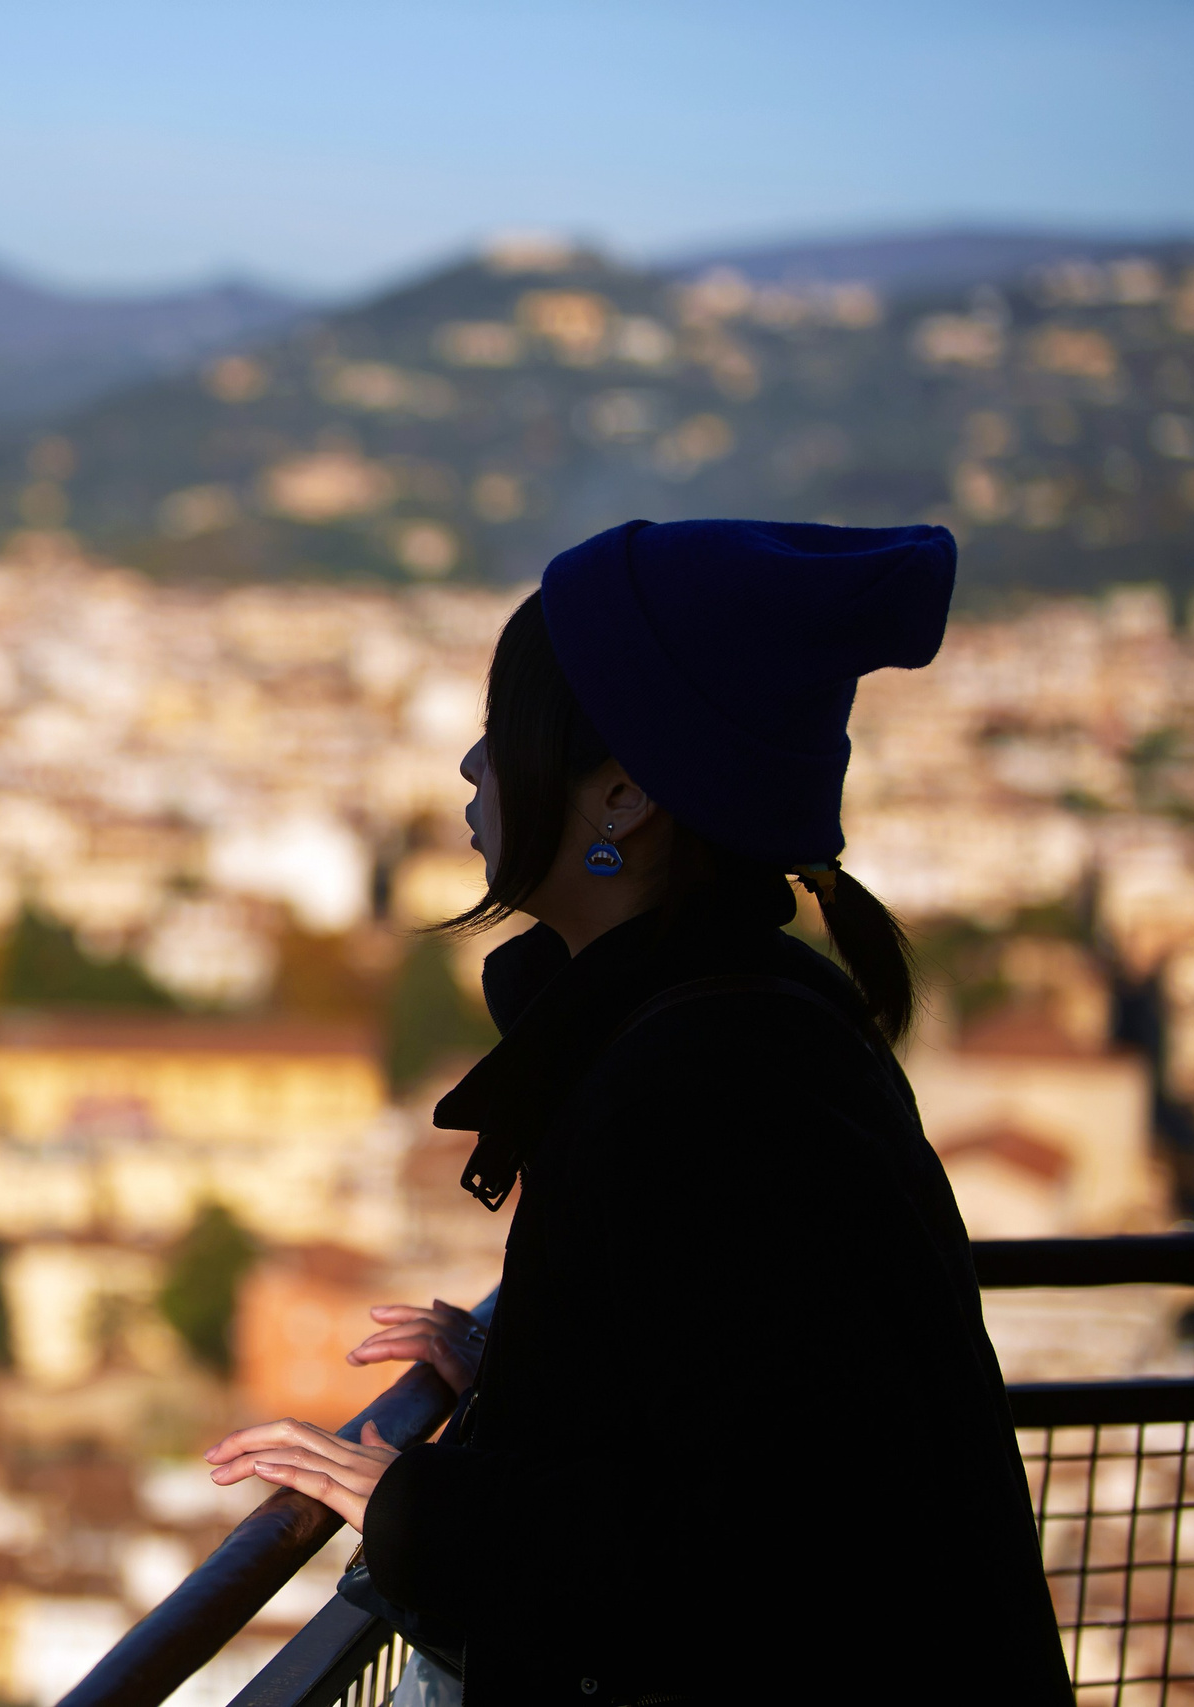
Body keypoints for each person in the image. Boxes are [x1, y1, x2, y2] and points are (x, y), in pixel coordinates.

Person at [204, 520, 1072, 1705]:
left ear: (619, 797)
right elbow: (738, 1400)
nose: (470, 764)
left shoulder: (702, 1083)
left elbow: (755, 1550)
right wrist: (532, 1378)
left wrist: (417, 1510)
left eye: (505, 731)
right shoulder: (741, 1025)